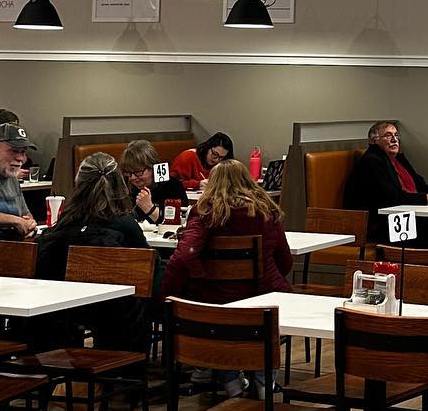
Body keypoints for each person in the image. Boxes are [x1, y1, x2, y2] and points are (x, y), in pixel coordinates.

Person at [34, 152, 152, 351]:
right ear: (120, 185)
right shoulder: (124, 224)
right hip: (116, 319)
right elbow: (148, 269)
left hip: (63, 312)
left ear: (79, 185)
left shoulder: (66, 223)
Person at [162, 159, 294, 305]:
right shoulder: (267, 212)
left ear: (212, 184)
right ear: (248, 181)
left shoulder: (205, 213)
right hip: (265, 299)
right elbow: (285, 261)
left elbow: (183, 257)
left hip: (212, 300)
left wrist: (168, 295)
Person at [345, 121, 428, 242]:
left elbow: (421, 186)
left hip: (405, 212)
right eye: (388, 135)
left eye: (396, 135)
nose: (394, 139)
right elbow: (392, 198)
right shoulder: (371, 161)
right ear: (374, 141)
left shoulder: (398, 159)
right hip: (379, 223)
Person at [120, 140, 189, 224]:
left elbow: (181, 222)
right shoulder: (124, 187)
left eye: (138, 172)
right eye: (129, 173)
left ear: (153, 168)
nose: (133, 178)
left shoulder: (172, 186)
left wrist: (149, 208)